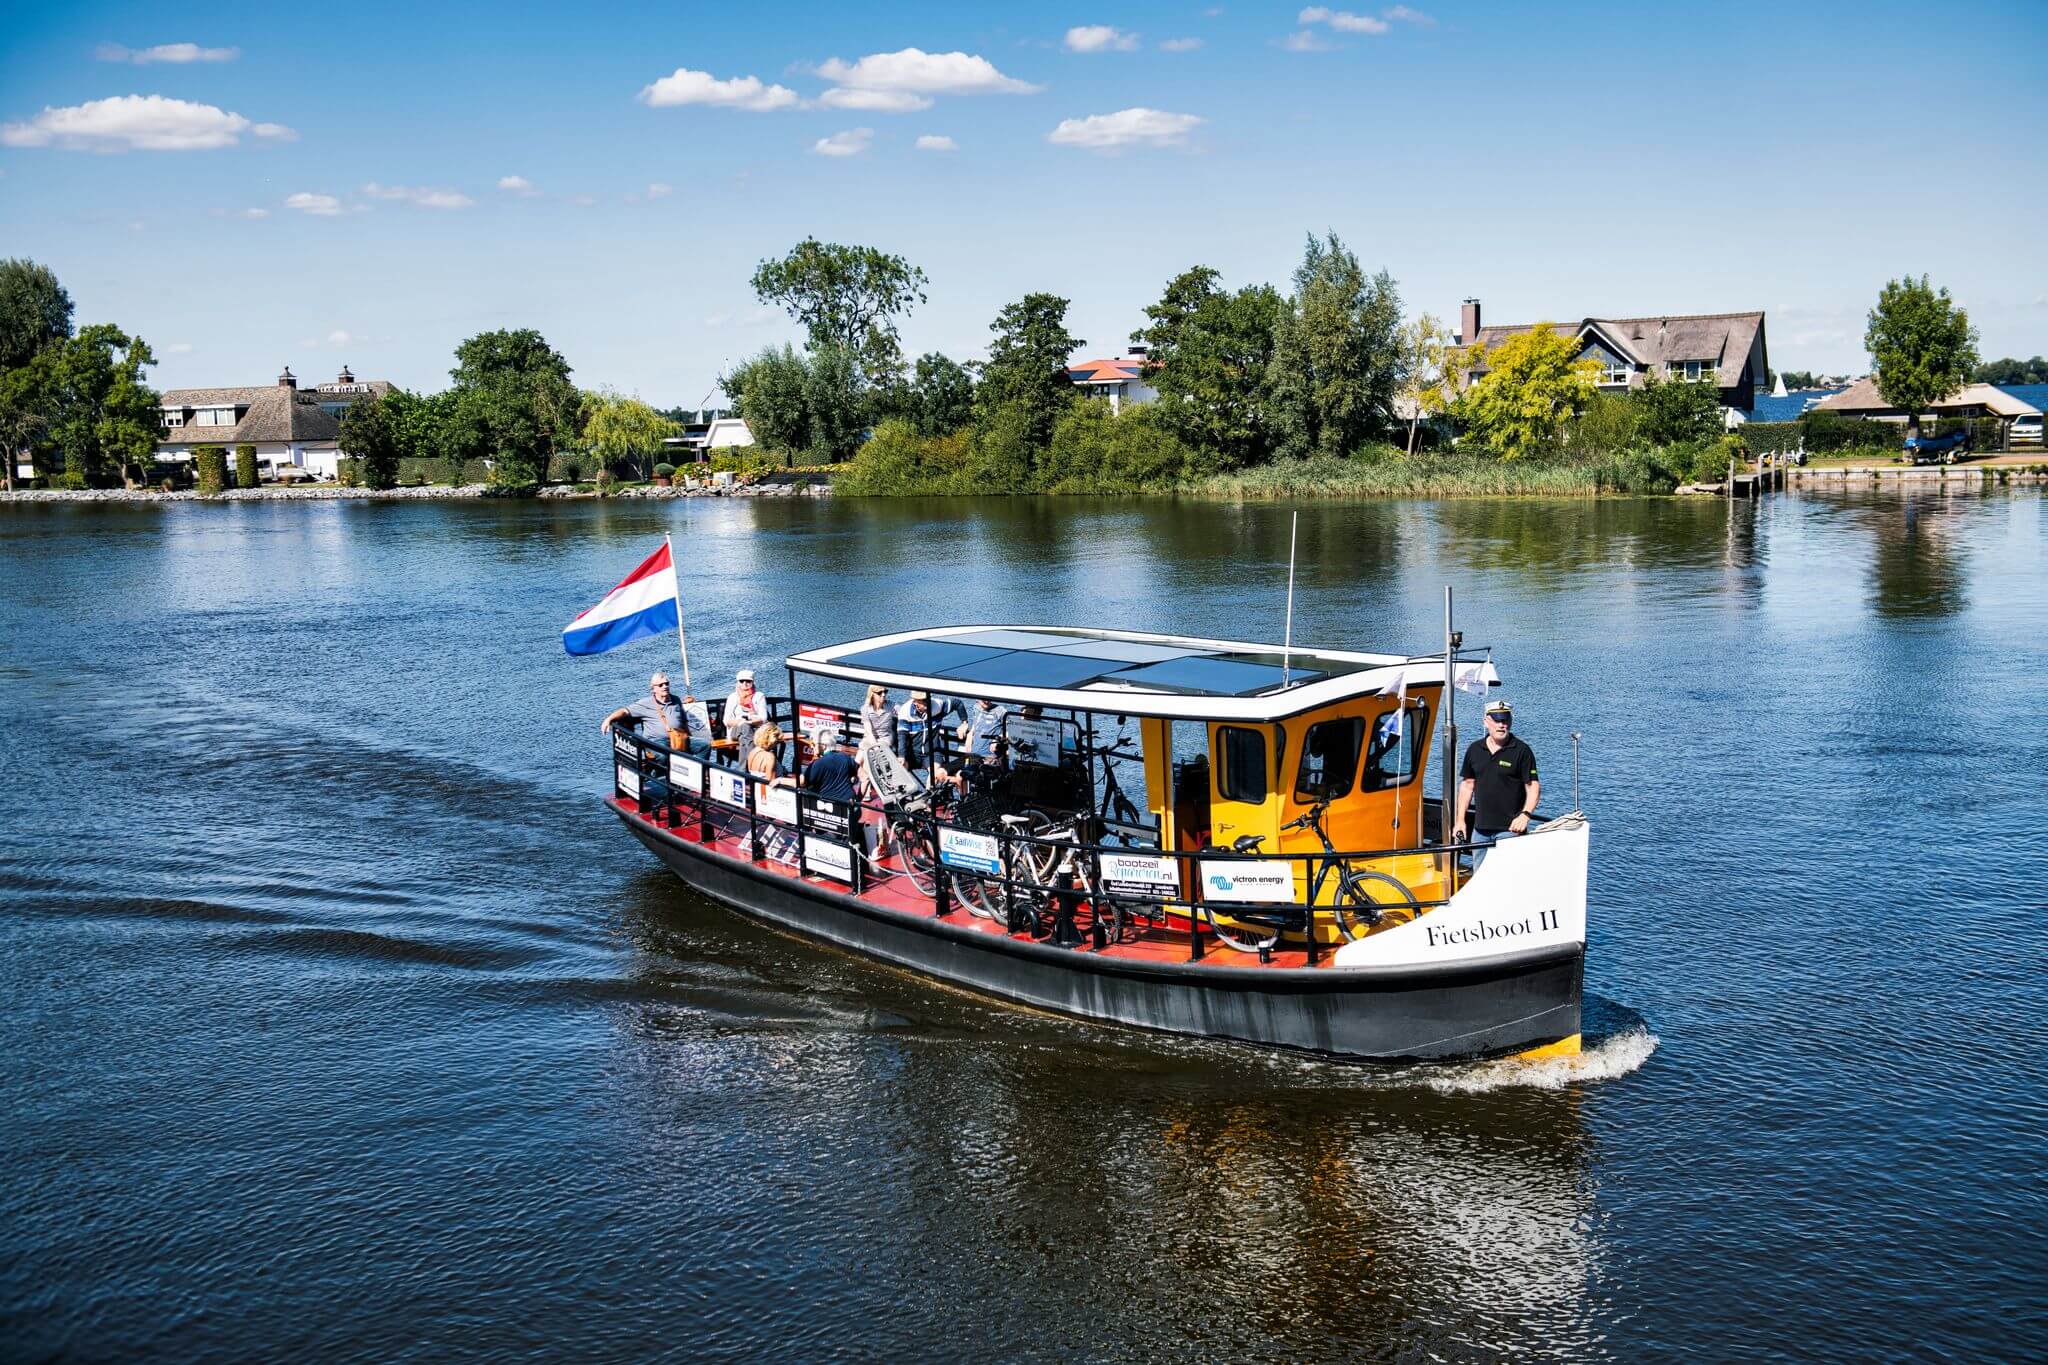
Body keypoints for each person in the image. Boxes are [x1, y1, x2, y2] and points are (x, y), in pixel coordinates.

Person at [1452, 699, 1540, 868]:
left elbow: (1533, 786)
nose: (1501, 725)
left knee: (1507, 881)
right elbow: (1467, 785)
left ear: (1511, 722)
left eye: (1505, 720)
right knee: (1480, 879)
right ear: (1486, 721)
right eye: (1497, 720)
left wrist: (1526, 815)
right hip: (1480, 831)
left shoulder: (1522, 751)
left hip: (1510, 832)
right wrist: (1460, 821)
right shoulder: (1474, 750)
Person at [599, 670, 706, 756]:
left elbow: (683, 721)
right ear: (653, 689)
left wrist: (690, 704)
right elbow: (625, 711)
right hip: (656, 741)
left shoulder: (676, 700)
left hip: (677, 738)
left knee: (705, 746)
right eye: (661, 685)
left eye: (667, 683)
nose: (665, 686)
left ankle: (700, 774)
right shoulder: (645, 704)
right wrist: (608, 719)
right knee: (663, 755)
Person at [803, 726, 861, 804]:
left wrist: (781, 780)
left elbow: (802, 782)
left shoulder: (818, 764)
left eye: (813, 744)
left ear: (823, 746)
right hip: (849, 804)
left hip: (829, 807)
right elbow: (858, 773)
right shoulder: (845, 757)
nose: (811, 746)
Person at [959, 697, 1008, 763]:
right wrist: (970, 734)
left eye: (988, 698)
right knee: (955, 772)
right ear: (977, 699)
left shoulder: (1000, 711)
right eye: (983, 699)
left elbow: (1011, 729)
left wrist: (998, 739)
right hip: (972, 754)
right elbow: (976, 723)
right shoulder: (976, 707)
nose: (986, 701)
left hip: (989, 757)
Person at [723, 668, 768, 741]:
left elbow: (763, 718)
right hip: (736, 730)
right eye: (741, 681)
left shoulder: (759, 696)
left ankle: (749, 752)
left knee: (746, 734)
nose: (745, 683)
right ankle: (754, 752)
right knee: (745, 728)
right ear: (737, 683)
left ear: (752, 682)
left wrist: (748, 722)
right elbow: (726, 720)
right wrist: (741, 723)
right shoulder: (732, 697)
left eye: (748, 681)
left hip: (756, 729)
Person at [747, 721, 794, 786]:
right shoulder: (769, 757)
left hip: (756, 787)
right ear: (772, 740)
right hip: (770, 792)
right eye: (777, 741)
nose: (777, 744)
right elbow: (772, 782)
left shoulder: (753, 752)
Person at [860, 685, 896, 755]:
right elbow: (869, 732)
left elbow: (903, 711)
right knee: (860, 757)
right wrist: (876, 748)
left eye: (885, 691)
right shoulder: (865, 709)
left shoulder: (891, 705)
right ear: (872, 694)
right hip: (870, 738)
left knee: (871, 753)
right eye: (879, 692)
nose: (883, 694)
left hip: (885, 738)